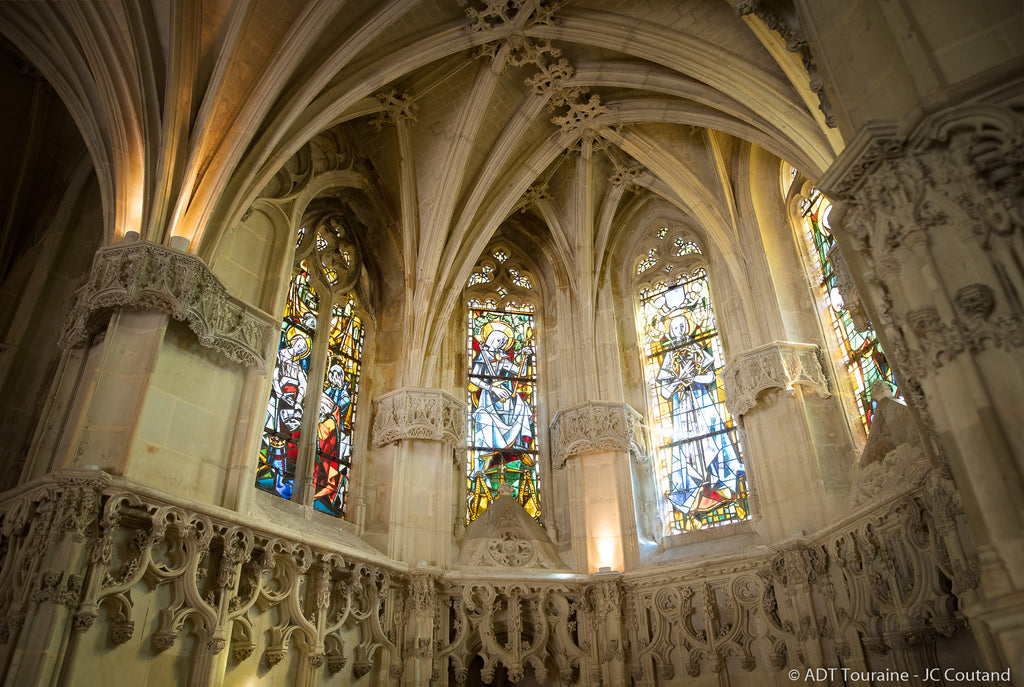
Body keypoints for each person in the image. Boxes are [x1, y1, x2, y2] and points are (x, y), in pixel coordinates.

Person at [468, 321, 534, 474]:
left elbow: (521, 373)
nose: (502, 344)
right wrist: (491, 388)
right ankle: (487, 459)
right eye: (499, 340)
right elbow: (474, 378)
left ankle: (519, 448)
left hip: (505, 397)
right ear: (491, 338)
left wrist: (525, 357)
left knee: (522, 406)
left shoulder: (502, 358)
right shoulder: (482, 357)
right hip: (489, 398)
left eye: (504, 342)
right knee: (485, 418)